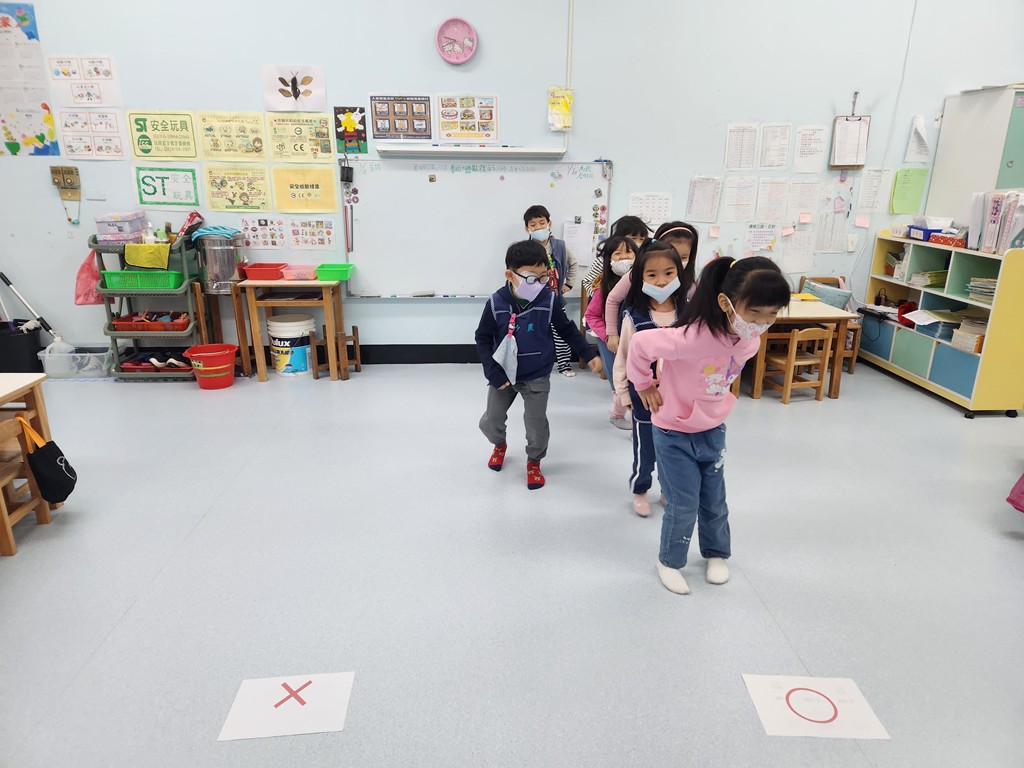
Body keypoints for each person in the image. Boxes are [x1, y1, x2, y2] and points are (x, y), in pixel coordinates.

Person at [627, 256, 790, 594]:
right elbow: (641, 345)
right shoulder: (690, 337)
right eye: (754, 313)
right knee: (683, 502)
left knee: (715, 499)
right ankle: (669, 561)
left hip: (713, 429)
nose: (762, 323)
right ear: (725, 303)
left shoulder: (750, 341)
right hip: (673, 430)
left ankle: (716, 552)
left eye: (772, 314)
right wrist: (643, 384)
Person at [476, 240, 602, 490]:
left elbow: (566, 329)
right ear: (510, 275)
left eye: (544, 277)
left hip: (536, 374)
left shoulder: (549, 300)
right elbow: (482, 338)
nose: (540, 283)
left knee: (536, 424)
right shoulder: (495, 303)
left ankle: (534, 460)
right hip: (503, 374)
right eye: (532, 278)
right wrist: (492, 372)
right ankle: (499, 444)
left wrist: (588, 353)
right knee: (491, 420)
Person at [612, 242, 688, 517]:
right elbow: (623, 359)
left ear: (679, 273)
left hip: (678, 400)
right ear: (640, 278)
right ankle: (640, 489)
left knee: (675, 450)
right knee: (645, 450)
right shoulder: (634, 316)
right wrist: (624, 395)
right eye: (652, 275)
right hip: (643, 398)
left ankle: (668, 488)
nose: (662, 281)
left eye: (669, 273)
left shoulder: (688, 313)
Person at [606, 221, 700, 353]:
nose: (677, 262)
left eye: (683, 257)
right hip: (636, 337)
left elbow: (698, 307)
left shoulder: (689, 282)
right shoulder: (635, 275)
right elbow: (613, 299)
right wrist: (612, 333)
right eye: (672, 254)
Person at [584, 236, 638, 429]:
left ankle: (634, 417)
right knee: (618, 378)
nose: (624, 258)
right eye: (617, 254)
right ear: (609, 260)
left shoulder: (642, 284)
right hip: (609, 340)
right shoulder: (604, 287)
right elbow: (591, 316)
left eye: (628, 252)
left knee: (636, 378)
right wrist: (608, 336)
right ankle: (617, 414)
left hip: (635, 340)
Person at [523, 205, 579, 377]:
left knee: (561, 331)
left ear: (549, 223)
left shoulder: (560, 246)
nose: (538, 227)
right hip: (532, 299)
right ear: (527, 228)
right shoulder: (525, 249)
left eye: (542, 223)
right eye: (533, 225)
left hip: (555, 298)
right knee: (532, 331)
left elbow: (573, 263)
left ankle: (564, 365)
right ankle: (532, 364)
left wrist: (569, 284)